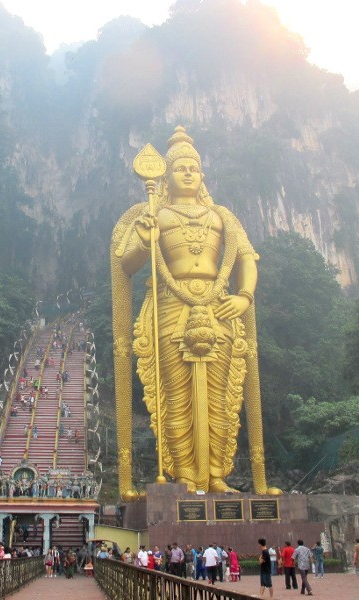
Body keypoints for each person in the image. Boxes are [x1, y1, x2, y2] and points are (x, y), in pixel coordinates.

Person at [111, 126, 281, 499]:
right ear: (167, 175)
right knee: (176, 395)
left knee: (221, 397)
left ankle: (218, 475)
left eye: (193, 167)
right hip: (172, 306)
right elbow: (125, 264)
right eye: (180, 167)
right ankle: (186, 477)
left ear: (202, 175)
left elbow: (247, 259)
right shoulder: (155, 214)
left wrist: (245, 297)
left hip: (219, 304)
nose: (187, 172)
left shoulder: (222, 216)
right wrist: (144, 239)